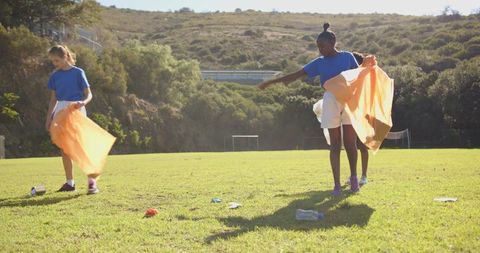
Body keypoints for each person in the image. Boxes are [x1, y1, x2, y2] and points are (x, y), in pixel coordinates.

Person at [258, 23, 364, 195]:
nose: (320, 50)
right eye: (318, 47)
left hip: (349, 101)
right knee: (335, 144)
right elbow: (296, 75)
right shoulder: (319, 63)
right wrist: (271, 82)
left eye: (322, 46)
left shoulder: (347, 57)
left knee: (350, 143)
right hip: (330, 100)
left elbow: (360, 77)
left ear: (333, 42)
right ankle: (336, 185)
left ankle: (354, 179)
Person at [44, 45, 99, 194]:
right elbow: (53, 99)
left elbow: (89, 94)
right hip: (60, 111)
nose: (55, 64)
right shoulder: (55, 76)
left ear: (65, 57)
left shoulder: (78, 72)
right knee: (65, 148)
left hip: (76, 109)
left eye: (57, 60)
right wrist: (49, 118)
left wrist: (83, 102)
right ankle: (70, 183)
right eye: (53, 61)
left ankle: (92, 183)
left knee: (82, 146)